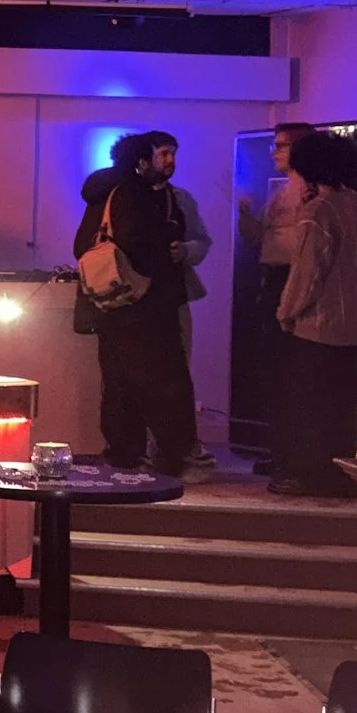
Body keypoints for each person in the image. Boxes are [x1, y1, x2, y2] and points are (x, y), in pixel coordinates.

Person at [74, 134, 196, 475]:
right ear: (142, 161)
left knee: (118, 383)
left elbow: (81, 245)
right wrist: (169, 234)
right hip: (146, 306)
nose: (170, 160)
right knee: (162, 381)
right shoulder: (138, 194)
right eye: (163, 154)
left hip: (110, 305)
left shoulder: (103, 195)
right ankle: (170, 455)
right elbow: (141, 241)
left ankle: (123, 453)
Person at [273, 131, 357, 497]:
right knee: (344, 405)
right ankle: (342, 473)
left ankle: (310, 474)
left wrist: (286, 312)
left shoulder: (317, 211)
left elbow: (307, 272)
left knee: (309, 404)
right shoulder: (356, 202)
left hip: (318, 326)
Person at [239, 123, 312, 479]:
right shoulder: (282, 191)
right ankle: (281, 450)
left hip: (291, 283)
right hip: (273, 282)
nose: (274, 152)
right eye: (274, 146)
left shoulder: (312, 194)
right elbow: (259, 241)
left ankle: (294, 454)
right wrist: (243, 214)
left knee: (290, 374)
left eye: (281, 146)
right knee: (274, 373)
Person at [149, 131, 217, 481]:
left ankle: (178, 446)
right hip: (138, 302)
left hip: (176, 298)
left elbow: (203, 241)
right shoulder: (126, 197)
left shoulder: (182, 199)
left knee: (177, 373)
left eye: (173, 153)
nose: (170, 161)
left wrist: (185, 251)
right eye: (163, 153)